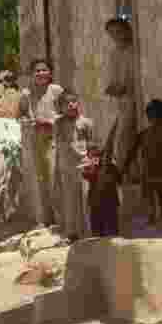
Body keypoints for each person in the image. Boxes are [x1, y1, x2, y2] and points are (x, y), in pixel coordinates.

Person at [17, 58, 65, 227]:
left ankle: (61, 220)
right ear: (31, 74)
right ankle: (44, 220)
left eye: (44, 70)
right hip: (36, 140)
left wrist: (51, 121)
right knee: (40, 180)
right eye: (37, 71)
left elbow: (67, 112)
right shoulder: (26, 93)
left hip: (54, 139)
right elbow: (21, 114)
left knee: (54, 178)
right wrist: (27, 121)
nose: (41, 73)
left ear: (50, 73)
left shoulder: (56, 91)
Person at [124, 99, 162, 233]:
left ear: (148, 117)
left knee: (150, 200)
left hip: (149, 176)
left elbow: (131, 153)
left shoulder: (143, 134)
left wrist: (125, 168)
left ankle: (152, 222)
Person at [54, 90, 94, 241]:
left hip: (84, 165)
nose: (71, 105)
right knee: (70, 200)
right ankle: (72, 232)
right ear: (61, 107)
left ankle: (89, 230)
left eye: (73, 101)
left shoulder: (86, 122)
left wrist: (90, 159)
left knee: (85, 198)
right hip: (67, 166)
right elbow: (60, 143)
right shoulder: (59, 123)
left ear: (78, 103)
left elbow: (91, 144)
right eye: (66, 103)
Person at [105, 16, 138, 183]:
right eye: (112, 34)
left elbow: (135, 78)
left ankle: (124, 172)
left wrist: (124, 87)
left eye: (118, 32)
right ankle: (127, 172)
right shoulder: (114, 54)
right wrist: (113, 88)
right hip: (124, 102)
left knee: (122, 138)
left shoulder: (136, 49)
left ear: (126, 30)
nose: (116, 36)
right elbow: (114, 81)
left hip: (135, 99)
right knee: (119, 139)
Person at [81, 141, 121, 237]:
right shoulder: (89, 165)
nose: (94, 157)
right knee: (98, 232)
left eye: (96, 154)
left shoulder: (110, 165)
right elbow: (86, 175)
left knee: (112, 230)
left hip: (109, 201)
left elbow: (118, 178)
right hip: (96, 202)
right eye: (91, 154)